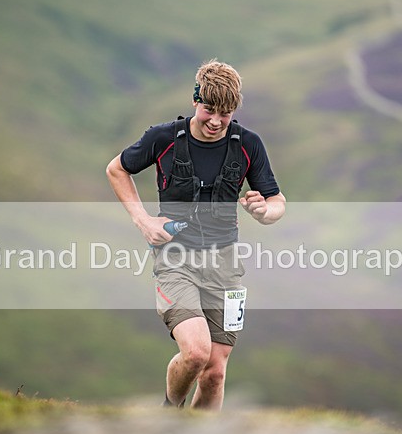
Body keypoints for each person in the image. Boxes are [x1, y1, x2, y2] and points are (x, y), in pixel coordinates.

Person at [106, 59, 285, 410]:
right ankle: (170, 413)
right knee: (196, 354)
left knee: (215, 371)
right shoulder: (162, 138)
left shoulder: (249, 144)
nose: (217, 121)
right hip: (175, 262)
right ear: (195, 101)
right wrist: (143, 220)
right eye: (209, 110)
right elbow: (116, 170)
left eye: (226, 113)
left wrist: (266, 211)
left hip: (226, 268)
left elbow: (276, 200)